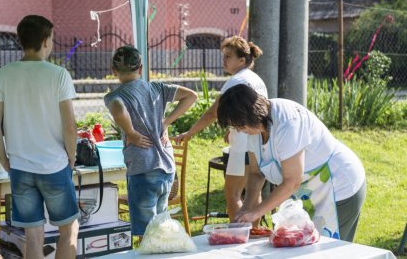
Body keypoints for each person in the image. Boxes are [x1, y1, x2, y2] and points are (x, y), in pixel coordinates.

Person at [217, 84, 366, 242]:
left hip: (338, 186)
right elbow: (256, 173)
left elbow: (292, 182)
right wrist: (247, 208)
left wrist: (257, 213)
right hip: (309, 192)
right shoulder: (254, 128)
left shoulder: (288, 123)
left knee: (326, 252)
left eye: (240, 125)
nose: (239, 131)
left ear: (251, 115)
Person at [0, 15, 79, 258]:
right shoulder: (59, 75)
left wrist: (5, 159)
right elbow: (70, 127)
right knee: (68, 229)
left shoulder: (3, 74)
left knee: (32, 236)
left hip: (20, 167)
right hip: (54, 165)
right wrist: (72, 157)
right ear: (45, 41)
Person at [104, 45, 197, 238]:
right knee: (160, 226)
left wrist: (130, 132)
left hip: (142, 169)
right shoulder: (157, 88)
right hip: (167, 168)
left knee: (147, 233)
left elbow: (118, 108)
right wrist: (167, 121)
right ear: (140, 68)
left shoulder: (115, 96)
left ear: (114, 71)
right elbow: (191, 96)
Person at [172, 35, 268, 223]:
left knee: (233, 193)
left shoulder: (235, 81)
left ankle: (237, 237)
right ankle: (254, 233)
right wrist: (233, 127)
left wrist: (189, 133)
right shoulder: (256, 79)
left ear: (242, 60)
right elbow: (254, 112)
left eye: (228, 57)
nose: (223, 61)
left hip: (242, 146)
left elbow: (212, 113)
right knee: (253, 191)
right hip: (259, 143)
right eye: (223, 56)